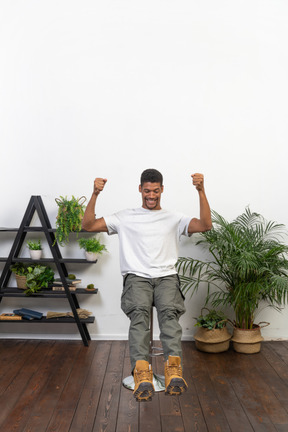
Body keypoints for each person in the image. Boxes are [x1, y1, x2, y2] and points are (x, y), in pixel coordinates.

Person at [82, 169, 212, 402]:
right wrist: (94, 194)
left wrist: (201, 191)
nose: (151, 195)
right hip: (137, 277)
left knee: (169, 317)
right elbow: (88, 225)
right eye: (146, 191)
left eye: (155, 191)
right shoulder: (125, 216)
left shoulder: (174, 217)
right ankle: (142, 374)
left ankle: (173, 372)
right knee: (140, 318)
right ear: (140, 189)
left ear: (162, 190)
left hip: (167, 277)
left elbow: (205, 225)